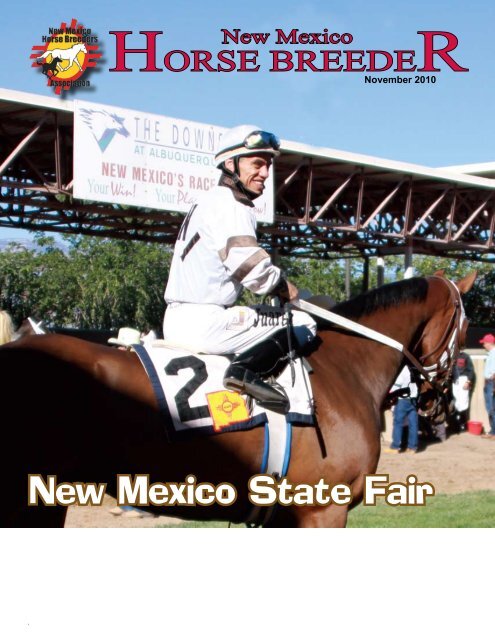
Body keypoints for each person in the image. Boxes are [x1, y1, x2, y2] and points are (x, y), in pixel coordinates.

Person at [163, 125, 317, 414]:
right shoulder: (231, 204)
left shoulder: (206, 201)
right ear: (230, 164)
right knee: (303, 323)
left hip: (181, 317)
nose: (265, 173)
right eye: (257, 164)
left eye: (268, 165)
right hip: (206, 322)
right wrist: (291, 292)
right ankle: (243, 372)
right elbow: (253, 270)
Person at [385, 366, 419, 454]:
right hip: (414, 398)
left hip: (403, 399)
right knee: (413, 424)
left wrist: (390, 395)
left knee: (397, 423)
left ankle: (395, 446)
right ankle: (412, 447)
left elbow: (398, 384)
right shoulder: (416, 369)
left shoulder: (404, 369)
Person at [451, 351, 475, 432]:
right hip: (454, 380)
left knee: (463, 402)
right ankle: (456, 425)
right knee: (456, 402)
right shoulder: (452, 355)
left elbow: (471, 370)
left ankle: (462, 425)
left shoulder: (465, 356)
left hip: (463, 379)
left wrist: (468, 381)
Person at [480, 334, 495, 439]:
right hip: (488, 382)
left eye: (484, 343)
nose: (483, 345)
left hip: (492, 382)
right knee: (490, 408)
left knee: (492, 408)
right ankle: (492, 431)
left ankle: (493, 432)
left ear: (489, 343)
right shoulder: (490, 354)